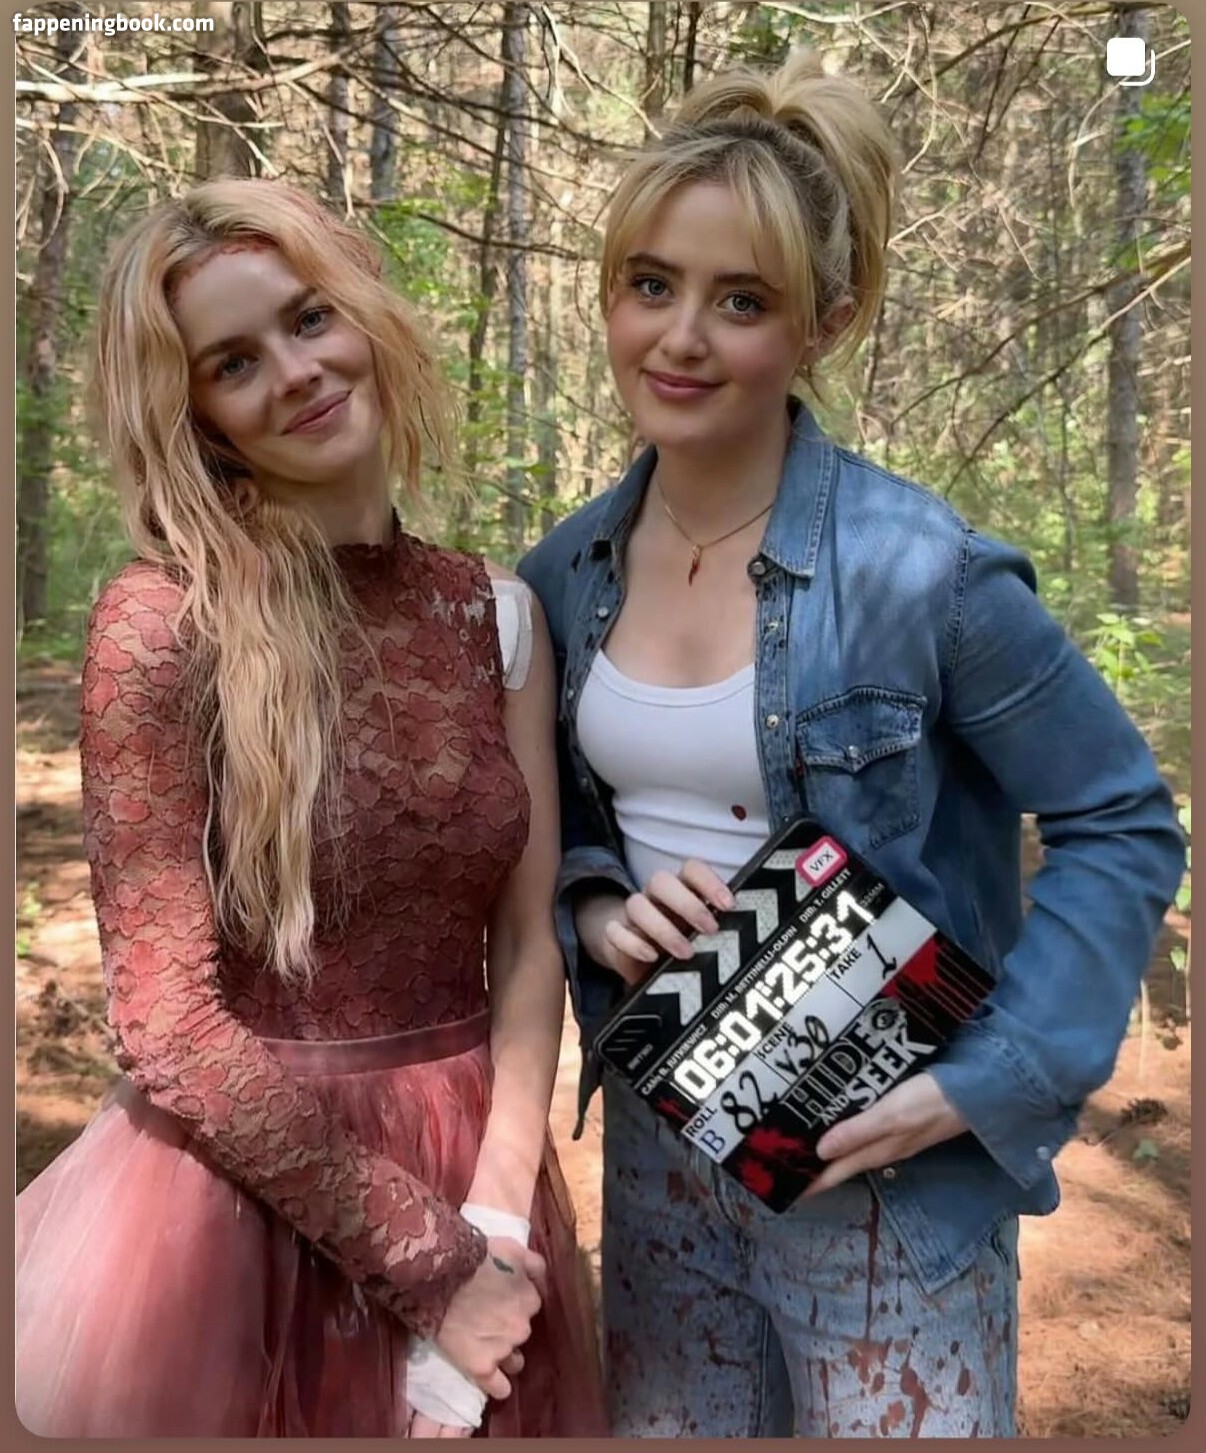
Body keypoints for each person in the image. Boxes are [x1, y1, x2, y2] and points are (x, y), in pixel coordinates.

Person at [517, 50, 1185, 1439]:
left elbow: (1120, 818)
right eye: (650, 283)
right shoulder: (562, 575)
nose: (680, 338)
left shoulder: (923, 573)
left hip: (882, 1179)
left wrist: (988, 1080)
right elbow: (558, 814)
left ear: (827, 319)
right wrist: (594, 902)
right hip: (663, 1160)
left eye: (741, 300)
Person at [15, 178, 606, 1439]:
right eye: (233, 362)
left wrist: (495, 1216)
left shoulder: (494, 615)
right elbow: (165, 1022)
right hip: (241, 1212)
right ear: (197, 415)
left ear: (364, 314)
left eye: (308, 318)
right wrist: (427, 1260)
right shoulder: (162, 626)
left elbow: (528, 941)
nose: (295, 372)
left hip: (482, 1176)